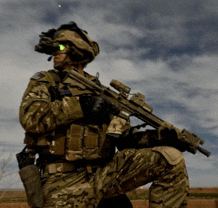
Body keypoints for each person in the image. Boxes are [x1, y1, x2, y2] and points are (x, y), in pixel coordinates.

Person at [19, 21, 189, 208]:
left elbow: (123, 139)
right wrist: (80, 105)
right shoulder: (46, 80)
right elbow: (30, 117)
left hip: (105, 173)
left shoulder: (102, 92)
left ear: (78, 49)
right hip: (62, 181)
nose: (54, 52)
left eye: (59, 46)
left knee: (170, 158)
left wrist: (156, 138)